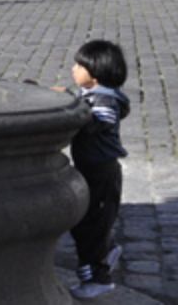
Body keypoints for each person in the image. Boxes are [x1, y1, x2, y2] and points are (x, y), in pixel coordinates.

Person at [53, 40, 131, 300]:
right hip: (91, 169)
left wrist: (70, 106)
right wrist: (68, 97)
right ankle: (106, 250)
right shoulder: (92, 94)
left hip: (102, 174)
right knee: (84, 223)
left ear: (96, 73)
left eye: (79, 66)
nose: (73, 69)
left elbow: (96, 122)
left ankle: (99, 279)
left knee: (90, 227)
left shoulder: (105, 100)